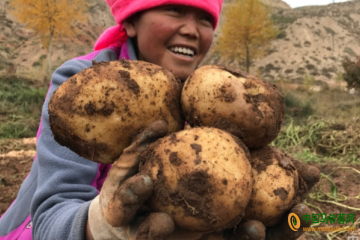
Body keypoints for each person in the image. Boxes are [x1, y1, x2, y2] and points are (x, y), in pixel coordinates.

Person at [0, 0, 320, 239]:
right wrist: (102, 228)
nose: (192, 30)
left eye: (206, 19)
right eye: (174, 10)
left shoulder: (206, 100)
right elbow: (48, 217)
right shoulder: (85, 83)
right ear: (131, 21)